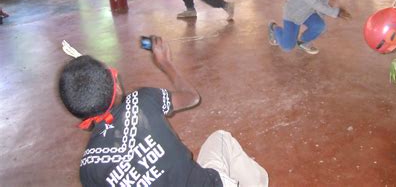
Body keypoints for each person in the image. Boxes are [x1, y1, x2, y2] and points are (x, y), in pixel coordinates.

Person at [58, 36, 269, 186]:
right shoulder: (142, 102)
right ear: (117, 85)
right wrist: (166, 63)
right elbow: (191, 97)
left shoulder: (88, 169)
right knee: (221, 139)